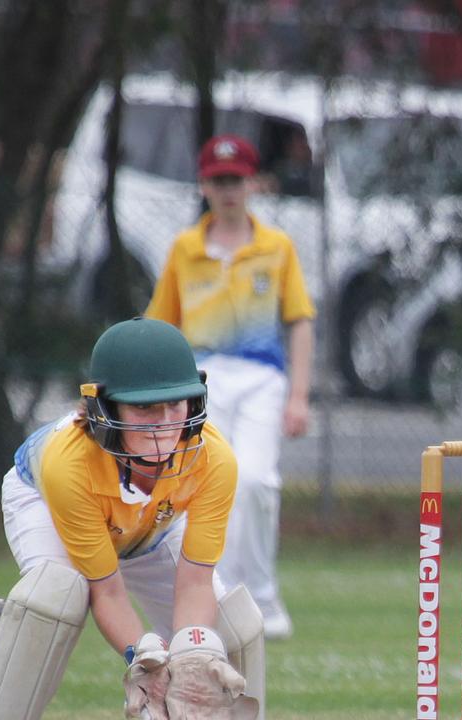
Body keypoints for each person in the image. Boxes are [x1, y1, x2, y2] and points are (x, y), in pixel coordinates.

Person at [0, 318, 263, 720]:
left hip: (150, 529)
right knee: (53, 598)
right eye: (144, 407)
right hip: (43, 500)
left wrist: (191, 653)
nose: (164, 424)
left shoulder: (214, 458)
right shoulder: (68, 464)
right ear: (103, 407)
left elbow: (194, 582)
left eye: (175, 404)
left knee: (228, 634)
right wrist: (142, 655)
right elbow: (106, 591)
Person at [146, 134, 316, 641]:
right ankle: (219, 596)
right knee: (211, 486)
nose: (227, 190)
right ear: (204, 185)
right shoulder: (185, 249)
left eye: (236, 180)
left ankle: (261, 598)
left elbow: (300, 320)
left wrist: (299, 395)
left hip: (263, 377)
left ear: (252, 184)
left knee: (257, 481)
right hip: (202, 380)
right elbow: (161, 326)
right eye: (218, 181)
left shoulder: (276, 246)